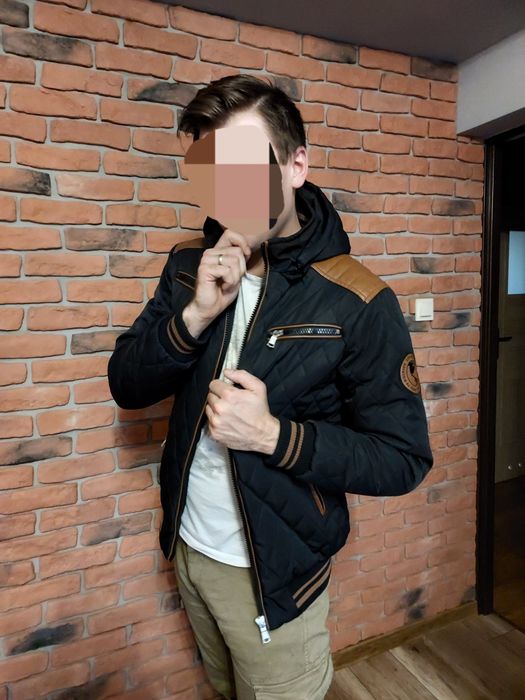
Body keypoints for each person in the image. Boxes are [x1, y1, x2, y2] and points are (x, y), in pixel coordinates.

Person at [107, 74, 434, 700]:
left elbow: (403, 459)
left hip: (277, 579)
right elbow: (127, 384)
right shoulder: (187, 265)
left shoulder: (358, 300)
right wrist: (194, 317)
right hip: (189, 549)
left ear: (295, 166)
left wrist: (274, 437)